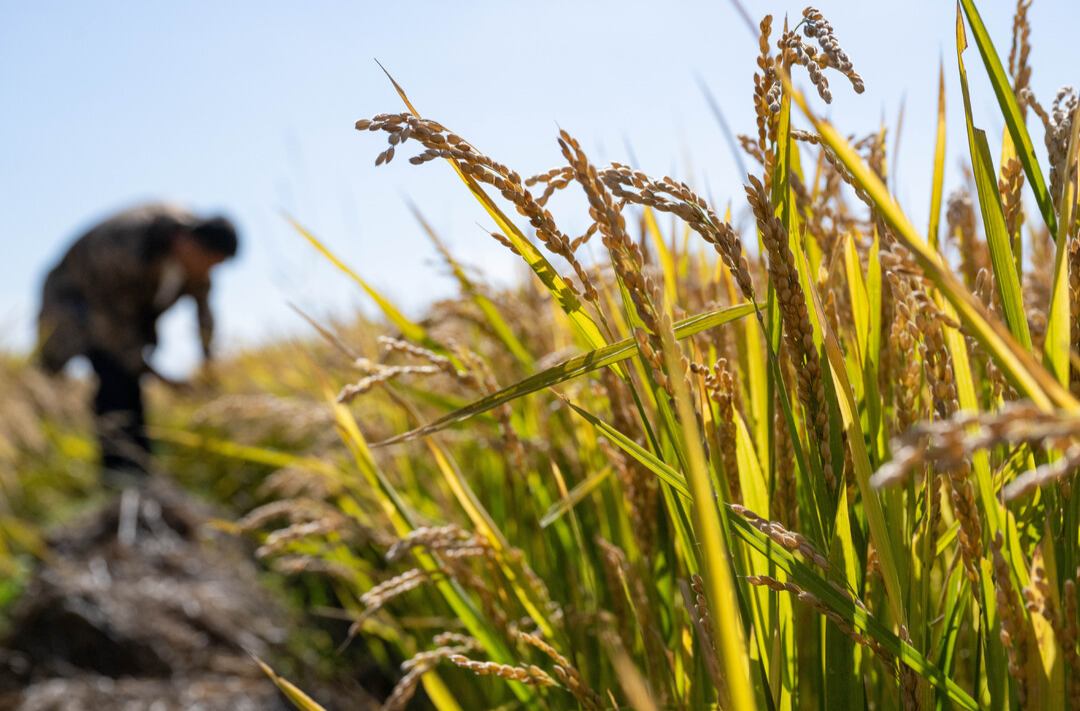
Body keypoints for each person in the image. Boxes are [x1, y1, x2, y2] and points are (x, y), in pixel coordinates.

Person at [38, 204, 239, 478]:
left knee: (132, 382)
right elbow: (115, 333)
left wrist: (208, 366)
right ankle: (118, 473)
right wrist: (164, 378)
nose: (208, 274)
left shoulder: (197, 265)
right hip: (79, 303)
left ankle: (140, 470)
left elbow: (204, 317)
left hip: (128, 314)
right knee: (114, 375)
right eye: (208, 264)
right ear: (187, 244)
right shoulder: (125, 245)